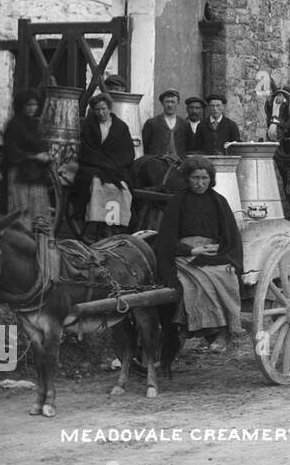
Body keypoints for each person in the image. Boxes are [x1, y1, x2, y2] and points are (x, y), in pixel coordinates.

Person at [155, 155, 243, 352]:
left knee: (224, 274)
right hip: (183, 256)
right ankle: (205, 328)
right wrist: (191, 250)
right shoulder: (178, 201)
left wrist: (217, 249)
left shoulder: (219, 202)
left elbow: (230, 237)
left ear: (211, 179)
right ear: (187, 178)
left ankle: (223, 329)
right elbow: (167, 239)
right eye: (195, 178)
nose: (200, 183)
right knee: (191, 281)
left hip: (213, 254)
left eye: (204, 178)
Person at [75, 94, 135, 233]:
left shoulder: (121, 127)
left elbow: (127, 152)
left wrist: (113, 164)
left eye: (103, 109)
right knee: (96, 183)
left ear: (109, 108)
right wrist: (103, 163)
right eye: (97, 110)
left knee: (123, 188)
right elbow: (87, 150)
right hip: (94, 165)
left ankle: (117, 223)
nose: (101, 113)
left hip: (116, 168)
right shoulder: (89, 126)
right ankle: (98, 220)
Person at [2, 88, 50, 220]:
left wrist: (44, 154)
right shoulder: (14, 125)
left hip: (35, 174)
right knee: (22, 210)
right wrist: (34, 157)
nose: (32, 108)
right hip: (19, 174)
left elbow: (38, 144)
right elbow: (11, 150)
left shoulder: (34, 124)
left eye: (35, 105)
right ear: (21, 106)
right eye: (29, 105)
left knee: (37, 211)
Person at [141, 89, 189, 158]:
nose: (170, 105)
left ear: (178, 103)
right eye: (167, 102)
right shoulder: (152, 123)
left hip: (179, 163)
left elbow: (189, 146)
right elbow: (145, 146)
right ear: (162, 103)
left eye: (173, 102)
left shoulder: (185, 124)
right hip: (157, 163)